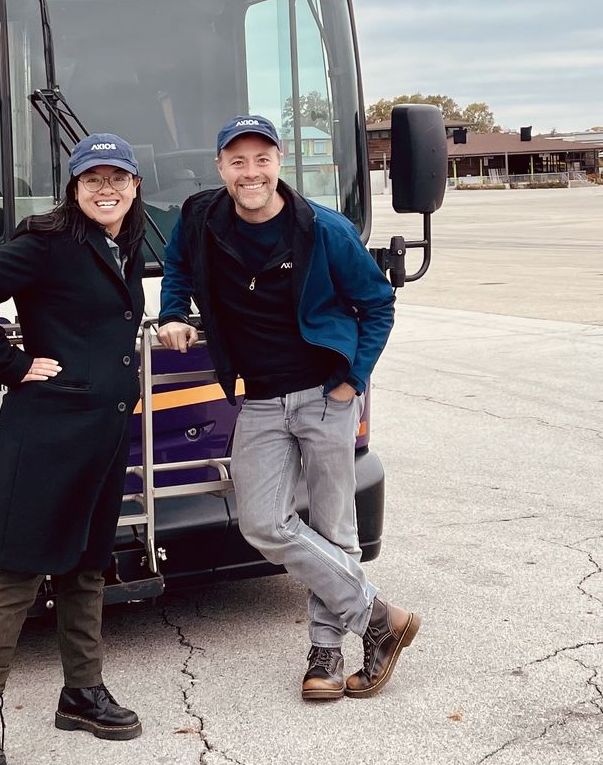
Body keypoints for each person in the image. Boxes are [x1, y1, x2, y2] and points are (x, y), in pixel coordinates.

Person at [156, 115, 416, 702]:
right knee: (262, 523)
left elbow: (377, 303)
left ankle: (325, 654)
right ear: (220, 167)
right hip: (262, 400)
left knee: (333, 527)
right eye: (238, 161)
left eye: (262, 159)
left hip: (327, 395)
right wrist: (174, 312)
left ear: (279, 163)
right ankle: (380, 618)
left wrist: (352, 382)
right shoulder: (199, 218)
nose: (251, 173)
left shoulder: (325, 229)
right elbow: (177, 268)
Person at [0, 133, 148, 765]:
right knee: (19, 574)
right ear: (75, 188)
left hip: (104, 435)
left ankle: (81, 694)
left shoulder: (122, 243)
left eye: (117, 178)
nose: (106, 189)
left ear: (135, 186)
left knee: (89, 567)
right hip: (49, 433)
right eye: (94, 180)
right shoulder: (48, 243)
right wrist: (10, 365)